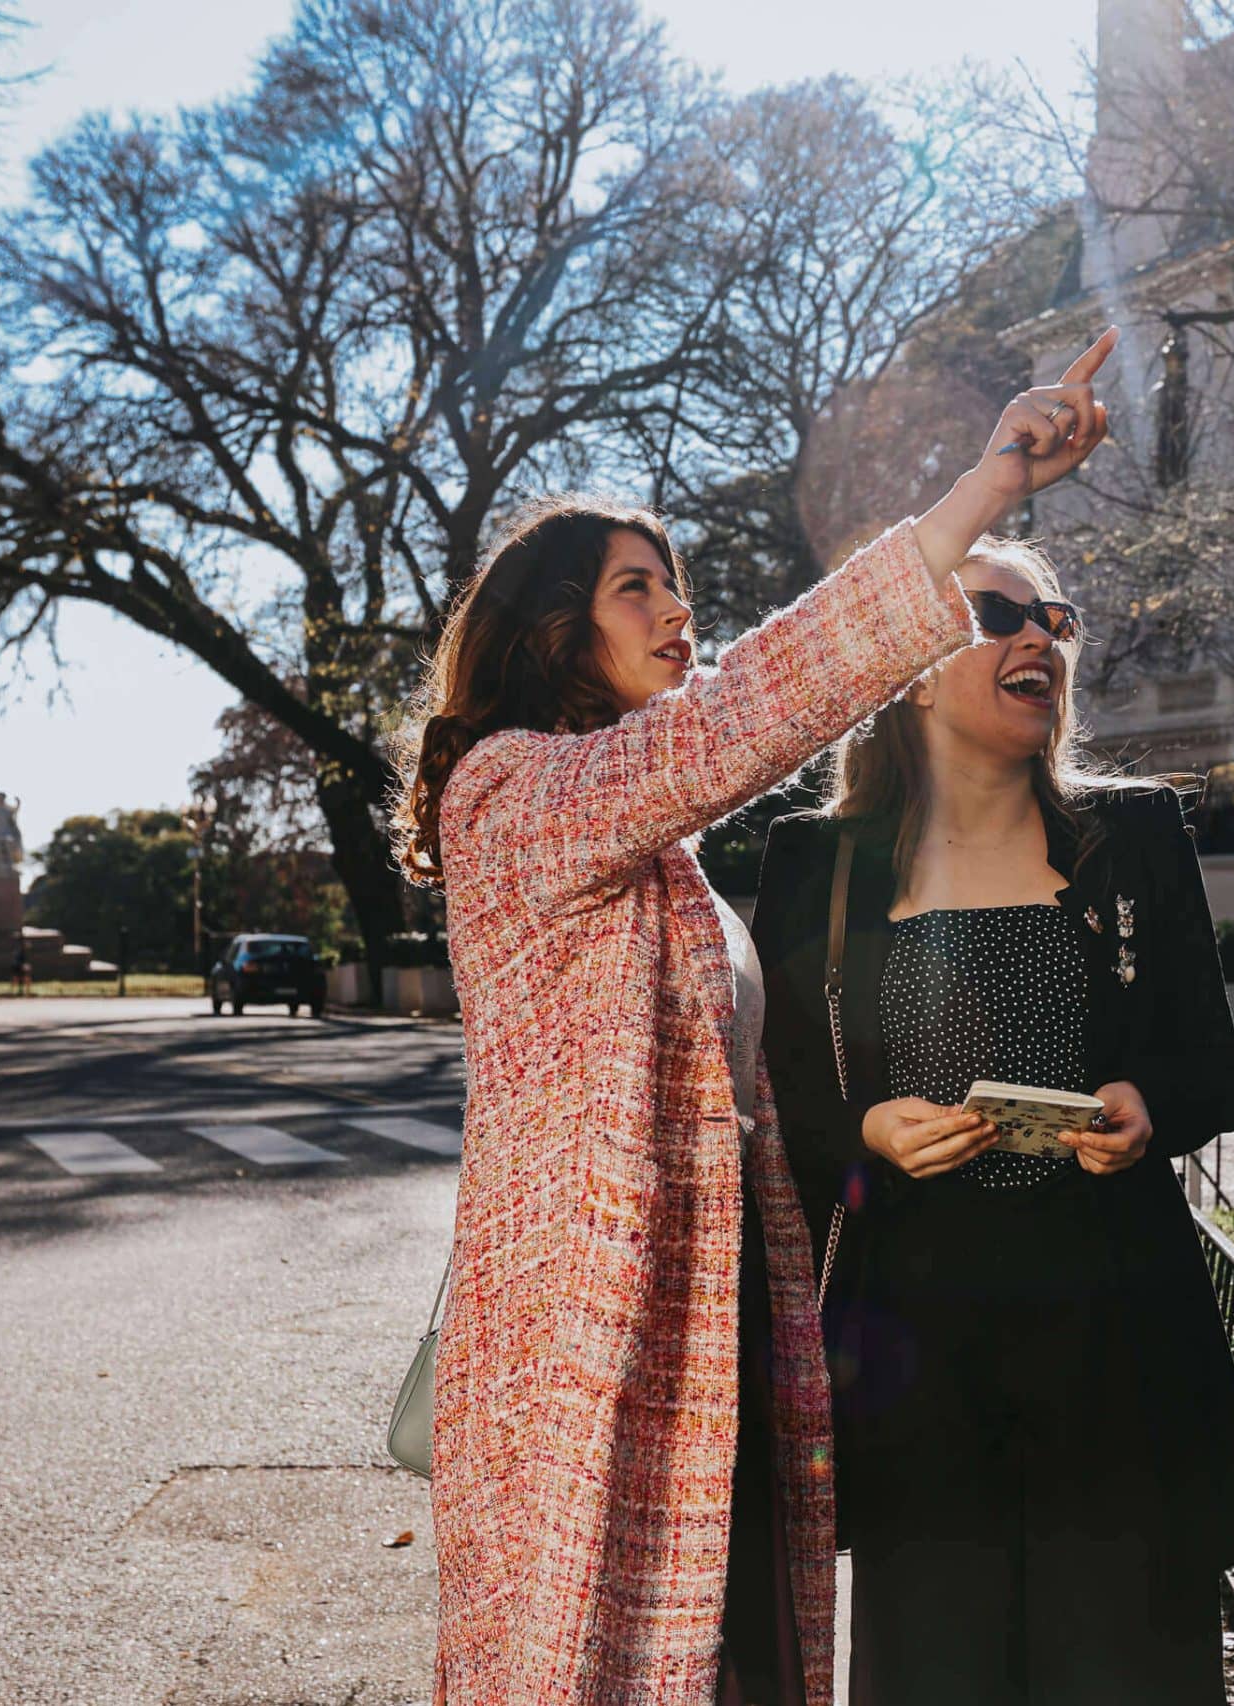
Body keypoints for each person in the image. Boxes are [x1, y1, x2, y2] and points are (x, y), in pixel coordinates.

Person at [386, 329, 1118, 1706]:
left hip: (706, 1318)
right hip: (590, 1335)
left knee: (732, 1661)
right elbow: (742, 717)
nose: (677, 609)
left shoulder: (651, 841)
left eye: (677, 582)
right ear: (552, 630)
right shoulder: (508, 791)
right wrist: (982, 491)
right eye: (636, 587)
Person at [752, 536, 1234, 1706]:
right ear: (909, 668)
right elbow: (782, 1098)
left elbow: (1215, 1067)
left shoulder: (1134, 833)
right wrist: (869, 1129)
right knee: (935, 1671)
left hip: (1118, 1346)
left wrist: (1148, 1105)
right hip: (914, 1361)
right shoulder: (818, 858)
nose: (1039, 634)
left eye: (1055, 617)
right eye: (997, 613)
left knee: (1127, 1673)